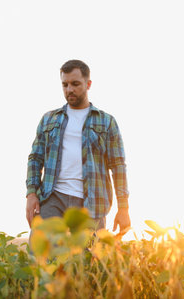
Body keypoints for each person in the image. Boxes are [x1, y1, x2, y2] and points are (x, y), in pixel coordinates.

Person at [25, 59, 130, 234]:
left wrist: (123, 208)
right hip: (52, 198)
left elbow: (118, 165)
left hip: (92, 204)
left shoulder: (106, 121)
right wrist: (31, 194)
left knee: (87, 259)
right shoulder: (49, 119)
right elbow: (35, 158)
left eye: (75, 84)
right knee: (43, 256)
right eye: (65, 85)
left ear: (88, 84)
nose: (69, 89)